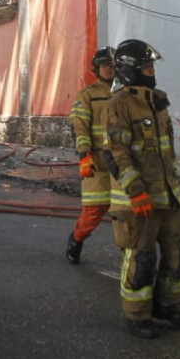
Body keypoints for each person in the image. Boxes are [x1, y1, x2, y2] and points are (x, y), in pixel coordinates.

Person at [105, 39, 180, 339]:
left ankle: (168, 307)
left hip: (169, 196)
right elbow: (117, 153)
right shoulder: (119, 104)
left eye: (152, 66)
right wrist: (137, 193)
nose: (151, 70)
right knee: (141, 259)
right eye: (146, 66)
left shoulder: (158, 100)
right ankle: (137, 315)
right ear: (130, 71)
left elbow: (164, 151)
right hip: (139, 202)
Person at [65, 46, 116, 265]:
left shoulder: (125, 94)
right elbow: (79, 127)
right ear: (96, 69)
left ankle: (134, 257)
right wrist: (84, 155)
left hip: (123, 164)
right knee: (95, 211)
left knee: (128, 212)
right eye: (105, 65)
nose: (109, 69)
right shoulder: (87, 96)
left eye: (113, 65)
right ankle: (76, 239)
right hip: (98, 163)